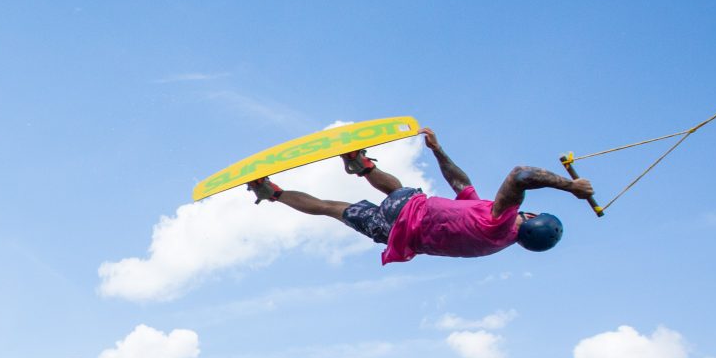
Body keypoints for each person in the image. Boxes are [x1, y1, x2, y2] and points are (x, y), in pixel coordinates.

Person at [245, 127, 595, 264]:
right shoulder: (492, 242)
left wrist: (571, 187)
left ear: (531, 218)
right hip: (394, 236)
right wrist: (439, 152)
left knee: (402, 195)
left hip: (406, 209)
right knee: (331, 208)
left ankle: (361, 165)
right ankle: (270, 191)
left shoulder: (499, 219)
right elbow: (463, 187)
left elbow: (522, 175)